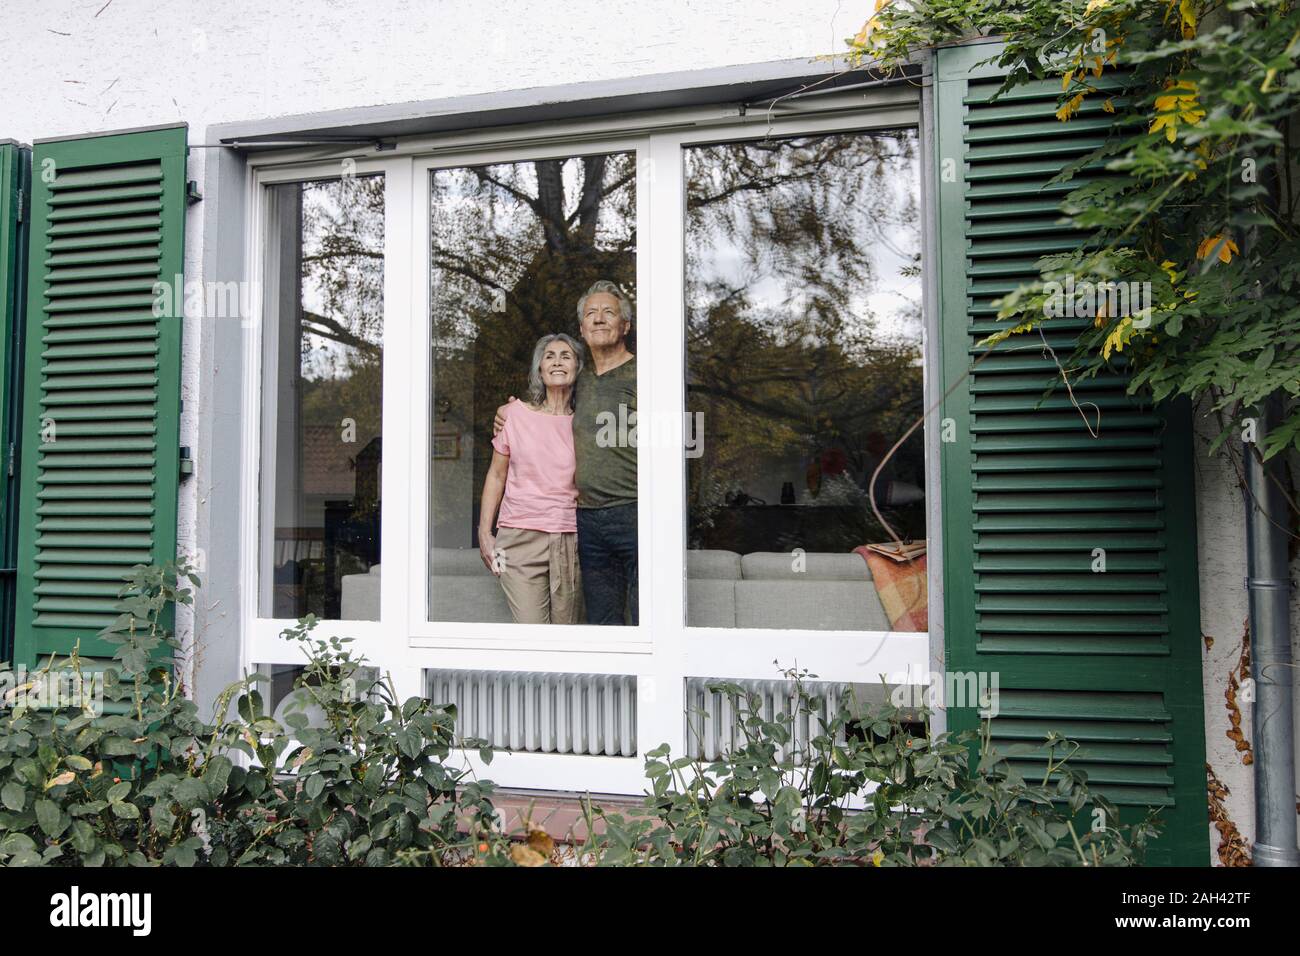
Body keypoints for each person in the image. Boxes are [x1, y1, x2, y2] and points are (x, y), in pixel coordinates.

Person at [496, 280, 637, 625]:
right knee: (602, 623)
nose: (600, 319)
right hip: (586, 520)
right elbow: (544, 412)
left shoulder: (646, 376)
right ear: (582, 328)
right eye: (592, 313)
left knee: (646, 618)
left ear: (626, 326)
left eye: (609, 313)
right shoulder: (580, 381)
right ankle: (613, 682)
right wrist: (507, 411)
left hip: (636, 514)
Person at [478, 333, 585, 624]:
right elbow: (496, 475)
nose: (557, 361)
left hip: (569, 538)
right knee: (531, 634)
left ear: (577, 368)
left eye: (566, 356)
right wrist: (485, 534)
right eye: (549, 356)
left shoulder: (587, 422)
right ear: (540, 369)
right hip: (515, 540)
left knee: (568, 637)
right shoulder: (513, 414)